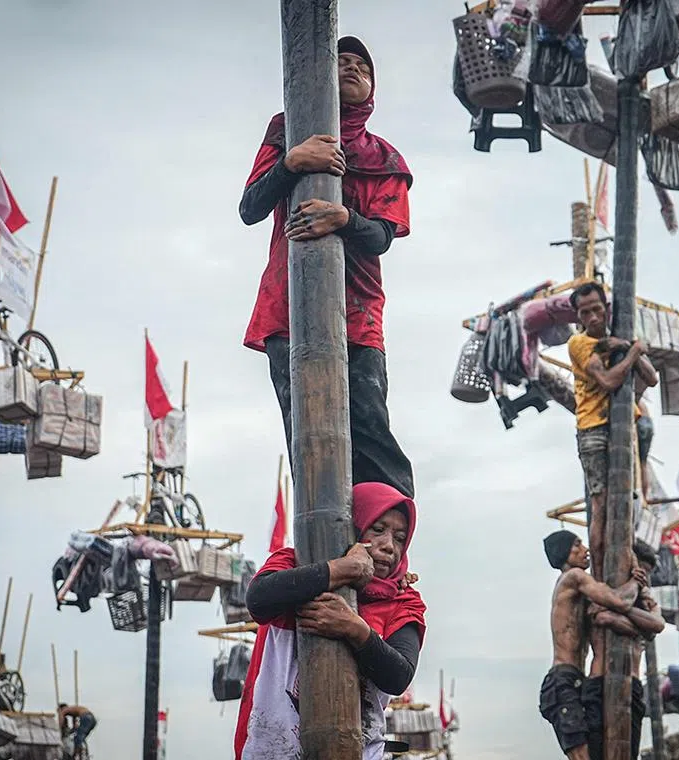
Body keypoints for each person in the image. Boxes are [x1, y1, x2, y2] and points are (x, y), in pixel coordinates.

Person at [239, 35, 416, 499]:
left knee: (370, 429)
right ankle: (324, 554)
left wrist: (343, 218)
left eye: (363, 65)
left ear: (373, 86)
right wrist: (292, 162)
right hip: (287, 307)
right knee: (307, 437)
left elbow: (381, 236)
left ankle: (389, 547)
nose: (352, 68)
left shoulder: (385, 158)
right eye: (342, 61)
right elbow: (251, 207)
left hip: (357, 311)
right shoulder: (285, 131)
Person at [234, 482, 426, 760]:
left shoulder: (402, 601)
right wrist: (341, 570)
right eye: (378, 529)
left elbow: (398, 676)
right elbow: (259, 600)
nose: (389, 546)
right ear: (355, 528)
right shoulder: (294, 563)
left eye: (399, 537)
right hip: (272, 750)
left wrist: (355, 629)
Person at [567, 282, 658, 578]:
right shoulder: (579, 344)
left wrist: (631, 349)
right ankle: (601, 574)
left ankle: (623, 563)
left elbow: (651, 378)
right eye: (585, 313)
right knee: (601, 504)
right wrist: (632, 353)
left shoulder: (615, 342)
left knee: (624, 498)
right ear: (578, 318)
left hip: (620, 429)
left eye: (596, 309)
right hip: (593, 428)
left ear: (606, 309)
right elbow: (607, 381)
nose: (592, 317)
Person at [540, 531, 654, 760]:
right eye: (577, 545)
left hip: (575, 680)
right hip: (562, 680)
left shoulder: (581, 589)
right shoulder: (573, 577)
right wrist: (634, 581)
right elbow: (619, 601)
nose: (585, 549)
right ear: (565, 553)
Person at [583, 543, 665, 760]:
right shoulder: (601, 593)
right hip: (599, 682)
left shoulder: (649, 604)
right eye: (639, 569)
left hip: (633, 684)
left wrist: (621, 610)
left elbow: (657, 625)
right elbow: (601, 617)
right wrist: (637, 625)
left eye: (645, 573)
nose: (641, 575)